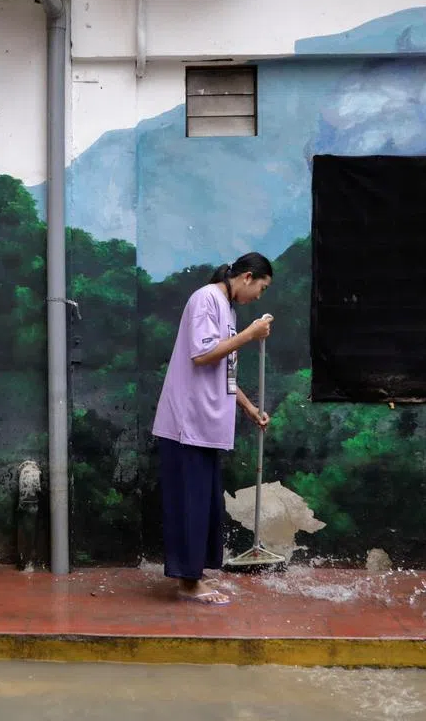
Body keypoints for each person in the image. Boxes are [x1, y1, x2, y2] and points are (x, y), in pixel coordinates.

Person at [151, 252, 274, 605]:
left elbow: (226, 370)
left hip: (207, 424)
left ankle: (196, 577)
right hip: (186, 424)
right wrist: (251, 334)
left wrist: (250, 408)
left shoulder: (228, 310)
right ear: (247, 277)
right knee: (189, 503)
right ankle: (188, 584)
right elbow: (202, 355)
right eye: (261, 288)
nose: (258, 298)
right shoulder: (205, 298)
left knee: (203, 504)